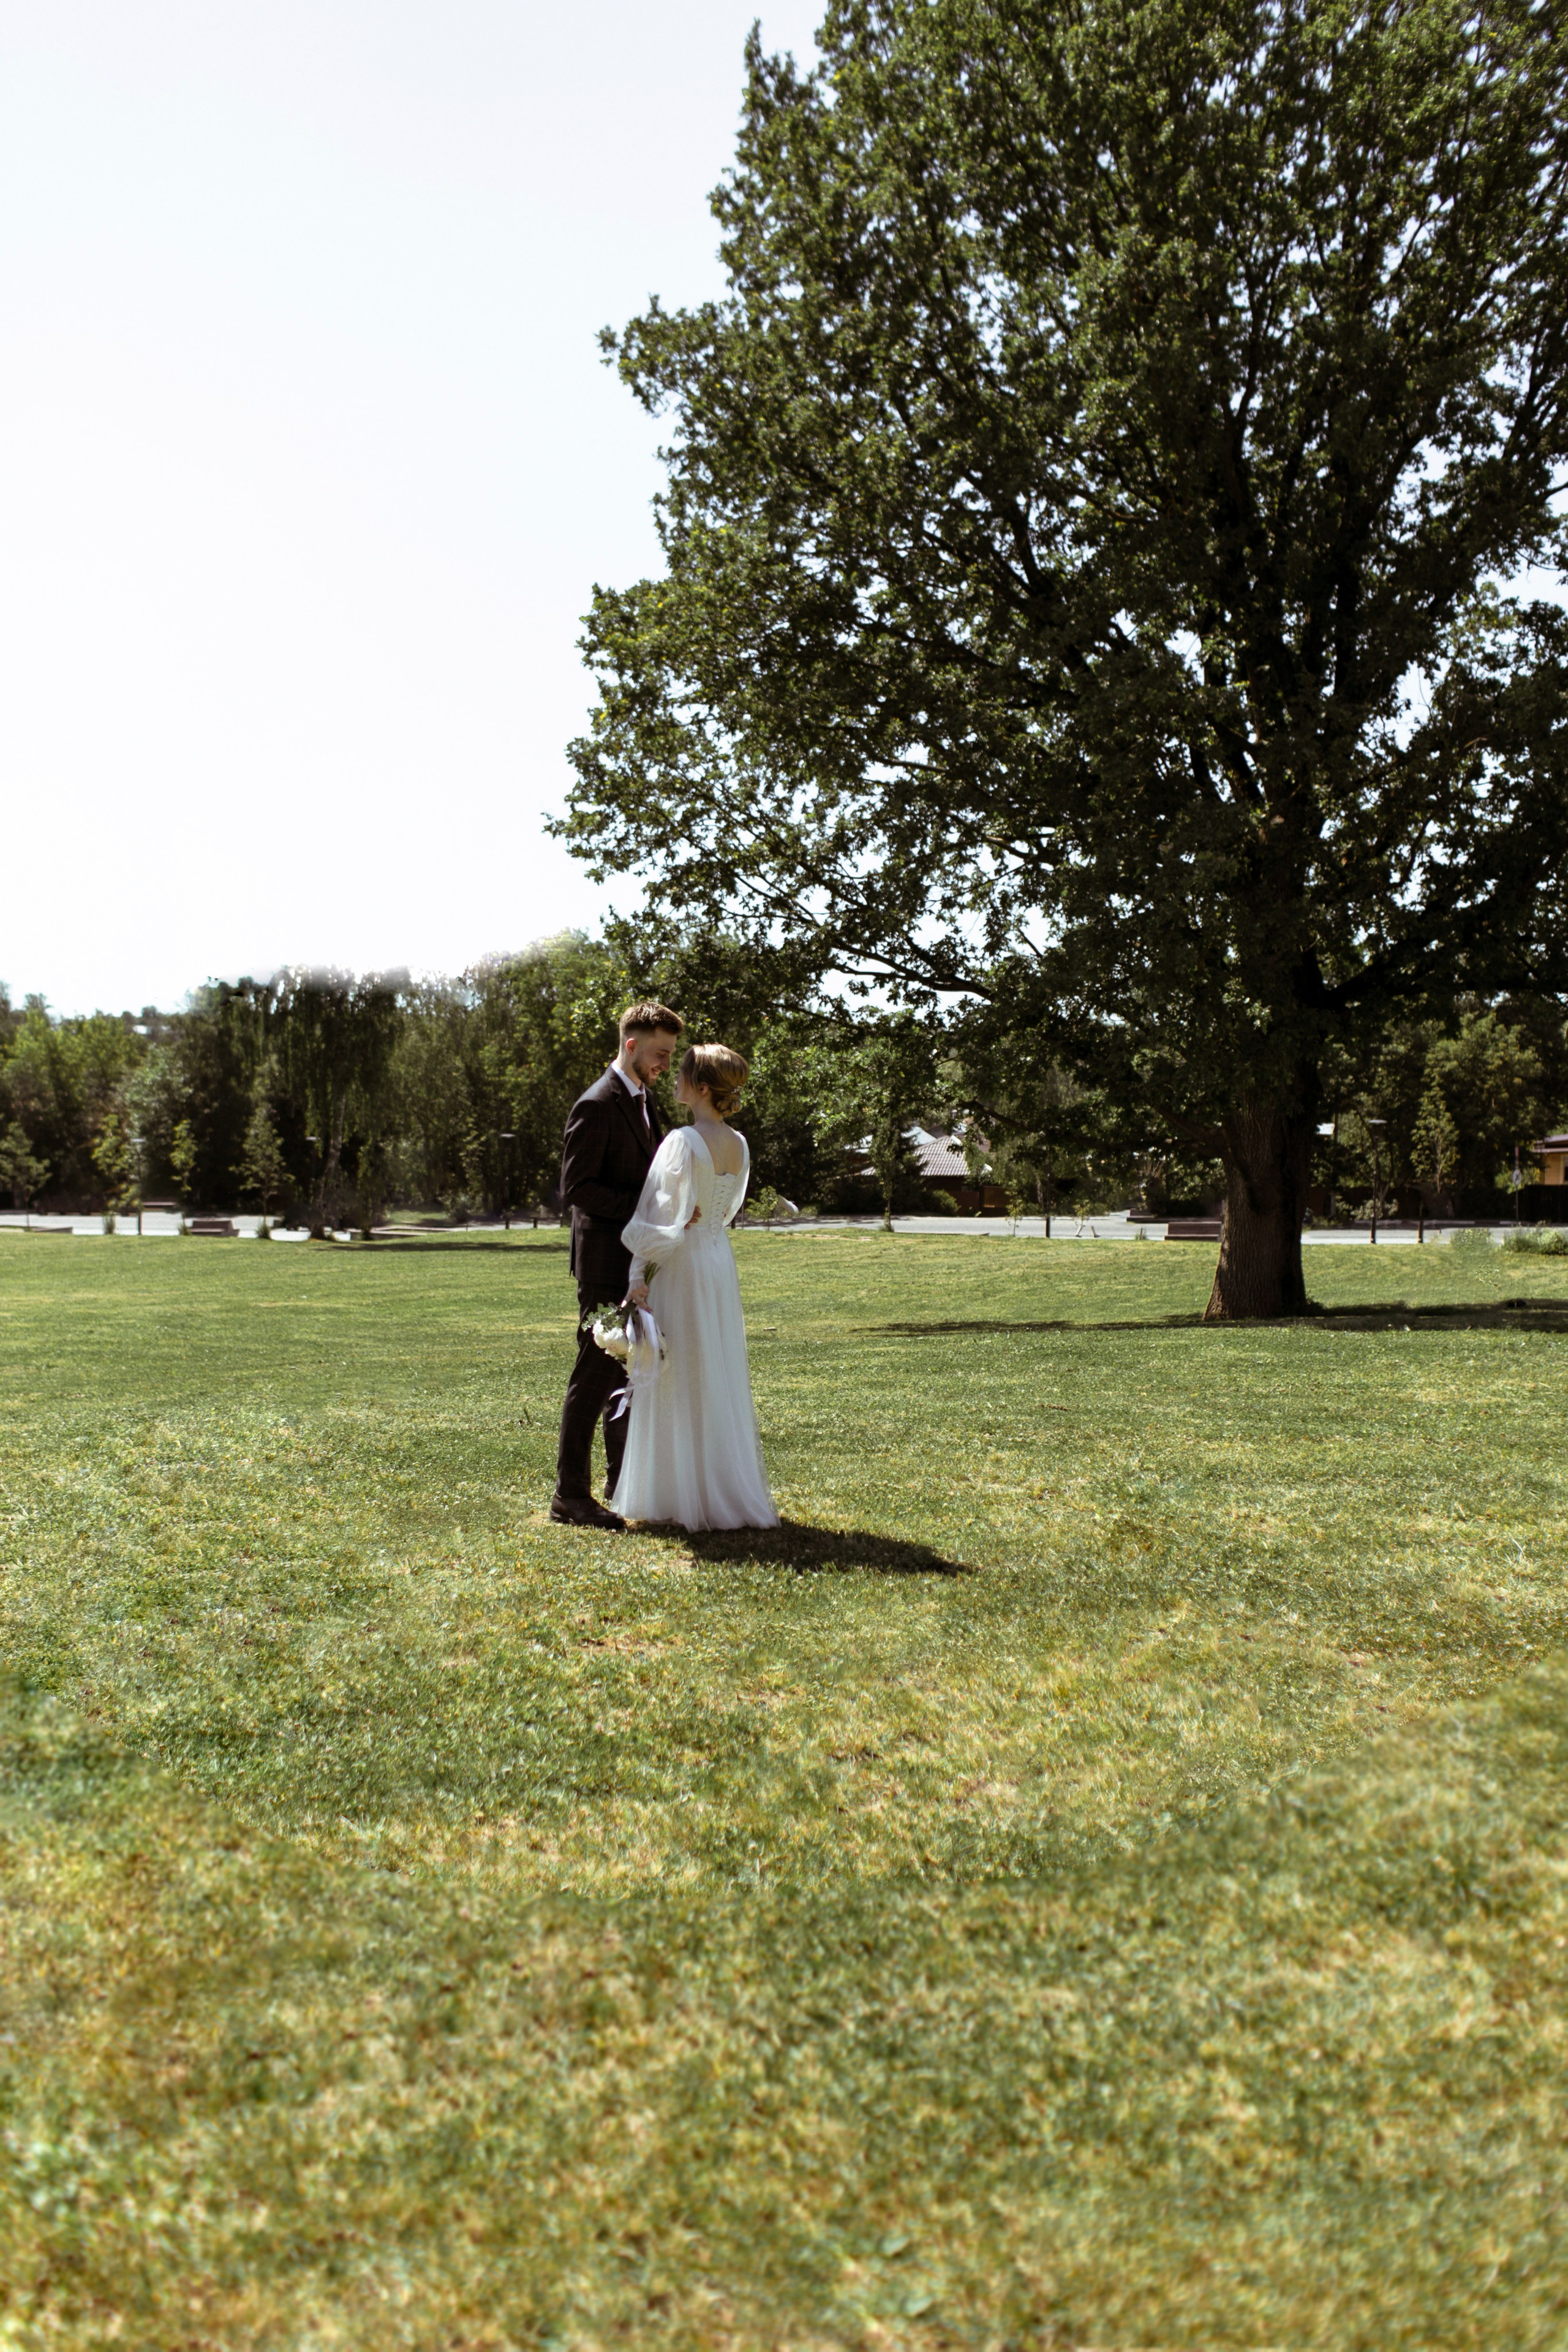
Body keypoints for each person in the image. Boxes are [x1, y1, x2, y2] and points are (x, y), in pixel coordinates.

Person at [615, 1042, 779, 1531]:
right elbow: (724, 1213)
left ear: (702, 1088)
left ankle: (676, 1493)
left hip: (685, 1263)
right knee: (714, 1369)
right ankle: (717, 1486)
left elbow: (659, 1216)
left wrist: (635, 1276)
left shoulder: (682, 1141)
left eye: (682, 1074)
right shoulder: (740, 1144)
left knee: (679, 1372)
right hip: (717, 1260)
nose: (675, 1080)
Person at [551, 1000, 684, 1528]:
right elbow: (578, 1189)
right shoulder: (598, 1104)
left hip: (635, 1262)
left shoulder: (645, 1101)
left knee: (624, 1376)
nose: (665, 1065)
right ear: (631, 1046)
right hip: (605, 1262)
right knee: (595, 1370)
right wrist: (647, 1212)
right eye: (659, 1053)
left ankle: (618, 1483)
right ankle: (569, 1496)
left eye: (670, 1055)